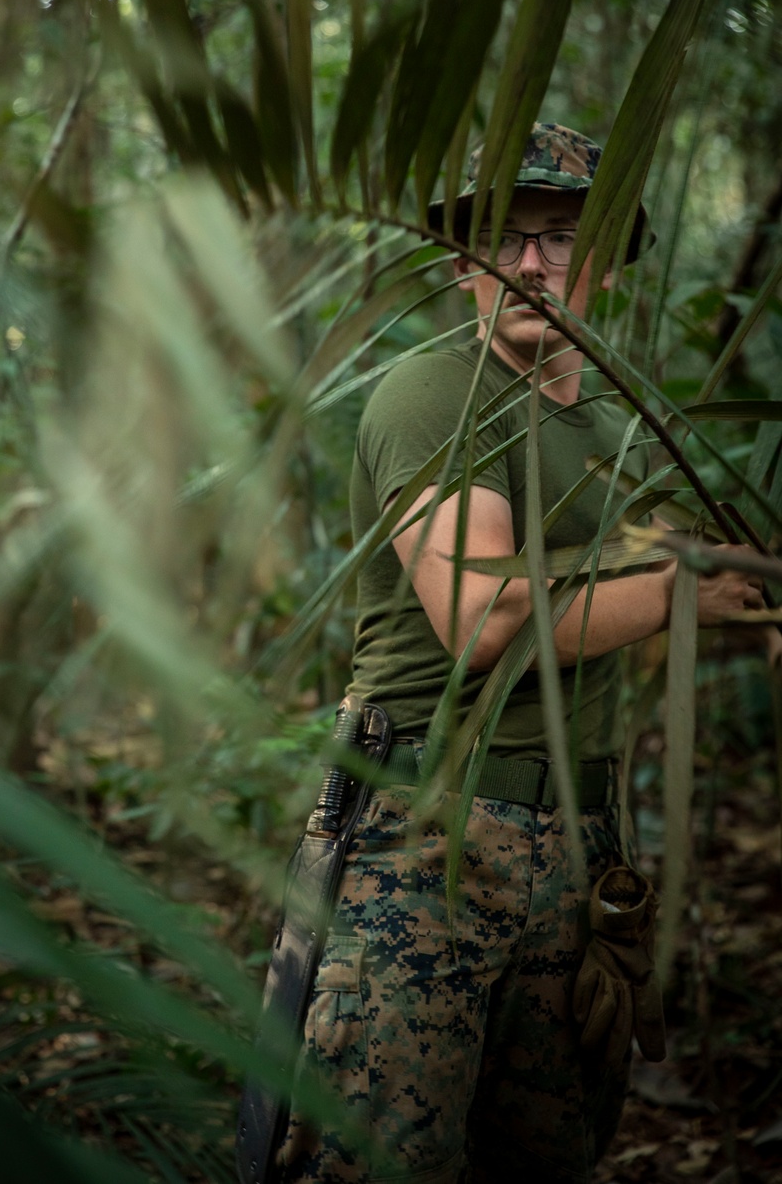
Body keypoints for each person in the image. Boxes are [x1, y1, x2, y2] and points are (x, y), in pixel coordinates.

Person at [275, 123, 767, 1184]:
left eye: (560, 238)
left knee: (545, 1157)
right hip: (426, 832)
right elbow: (481, 619)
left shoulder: (626, 429)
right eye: (506, 239)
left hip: (582, 842)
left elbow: (703, 581)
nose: (532, 266)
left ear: (605, 262)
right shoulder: (432, 394)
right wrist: (689, 588)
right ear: (462, 261)